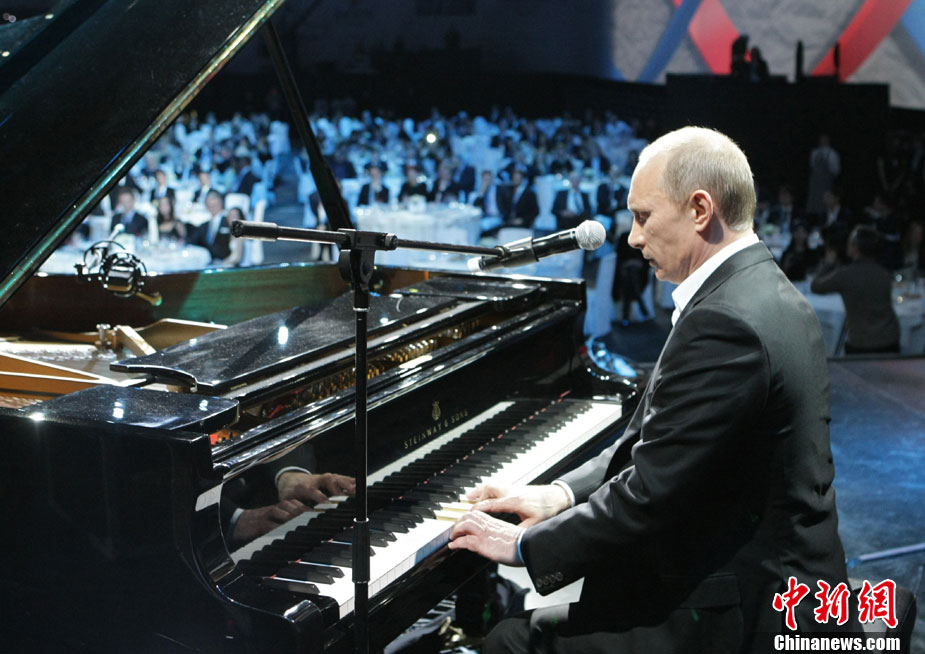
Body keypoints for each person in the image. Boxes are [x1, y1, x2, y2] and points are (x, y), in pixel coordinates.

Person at [449, 126, 857, 652]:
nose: (634, 237)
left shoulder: (728, 322)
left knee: (511, 640)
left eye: (643, 216)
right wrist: (559, 495)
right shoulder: (755, 289)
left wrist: (526, 546)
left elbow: (649, 493)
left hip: (752, 608)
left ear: (700, 209)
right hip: (771, 574)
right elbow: (658, 446)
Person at [811, 225, 900, 354]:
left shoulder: (846, 275)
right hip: (890, 340)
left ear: (855, 247)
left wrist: (828, 262)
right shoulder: (884, 274)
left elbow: (816, 286)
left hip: (861, 344)